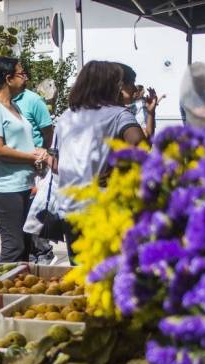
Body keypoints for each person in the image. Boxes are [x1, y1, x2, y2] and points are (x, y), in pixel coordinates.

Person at [55, 61, 146, 263]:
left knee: (80, 275)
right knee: (110, 276)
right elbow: (140, 144)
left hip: (71, 208)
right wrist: (119, 167)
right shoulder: (118, 115)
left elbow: (58, 161)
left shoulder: (67, 116)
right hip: (104, 209)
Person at [0, 57, 51, 263]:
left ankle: (17, 289)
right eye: (22, 74)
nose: (26, 78)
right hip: (5, 187)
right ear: (8, 79)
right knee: (14, 246)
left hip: (23, 184)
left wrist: (38, 153)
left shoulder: (15, 106)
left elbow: (20, 142)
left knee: (26, 245)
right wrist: (31, 157)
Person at [13, 75, 56, 265]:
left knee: (37, 218)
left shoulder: (33, 100)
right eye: (20, 73)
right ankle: (30, 257)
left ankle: (43, 255)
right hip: (13, 172)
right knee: (21, 224)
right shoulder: (1, 103)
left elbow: (48, 132)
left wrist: (42, 157)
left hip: (36, 169)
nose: (25, 77)